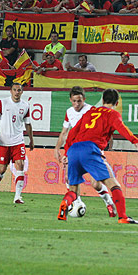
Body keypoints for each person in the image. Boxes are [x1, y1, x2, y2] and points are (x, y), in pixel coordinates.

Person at [58, 88, 138, 224]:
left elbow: (72, 133)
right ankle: (123, 217)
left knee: (73, 189)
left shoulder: (89, 112)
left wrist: (66, 153)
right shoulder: (113, 114)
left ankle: (64, 205)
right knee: (113, 184)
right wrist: (136, 142)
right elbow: (122, 128)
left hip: (74, 150)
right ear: (116, 103)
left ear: (103, 100)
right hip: (90, 149)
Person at [54, 86, 117, 217]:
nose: (77, 104)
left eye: (79, 101)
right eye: (74, 101)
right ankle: (76, 203)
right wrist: (57, 148)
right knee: (68, 178)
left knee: (96, 183)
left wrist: (108, 143)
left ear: (84, 99)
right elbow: (65, 132)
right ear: (70, 100)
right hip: (74, 149)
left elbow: (105, 127)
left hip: (92, 149)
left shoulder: (91, 110)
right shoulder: (69, 112)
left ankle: (109, 202)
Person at [0, 82, 35, 205]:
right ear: (10, 91)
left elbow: (28, 124)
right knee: (2, 169)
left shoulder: (25, 105)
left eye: (19, 90)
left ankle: (17, 197)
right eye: (14, 90)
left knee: (20, 165)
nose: (16, 92)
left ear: (22, 92)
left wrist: (31, 139)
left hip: (18, 141)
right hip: (3, 142)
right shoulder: (3, 103)